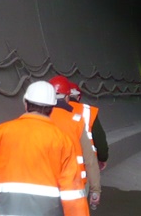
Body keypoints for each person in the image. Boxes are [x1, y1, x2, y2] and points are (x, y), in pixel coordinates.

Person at [0, 81, 87, 215]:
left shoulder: (1, 132)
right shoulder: (63, 140)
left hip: (7, 210)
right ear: (52, 108)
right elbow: (72, 190)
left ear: (25, 103)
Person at [49, 76, 102, 210]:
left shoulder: (37, 119)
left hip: (44, 184)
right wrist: (95, 189)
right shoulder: (76, 121)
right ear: (67, 97)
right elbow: (89, 159)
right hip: (73, 185)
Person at [63, 79, 109, 170]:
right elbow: (99, 138)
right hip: (85, 162)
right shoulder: (89, 111)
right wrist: (102, 158)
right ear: (78, 97)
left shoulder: (53, 110)